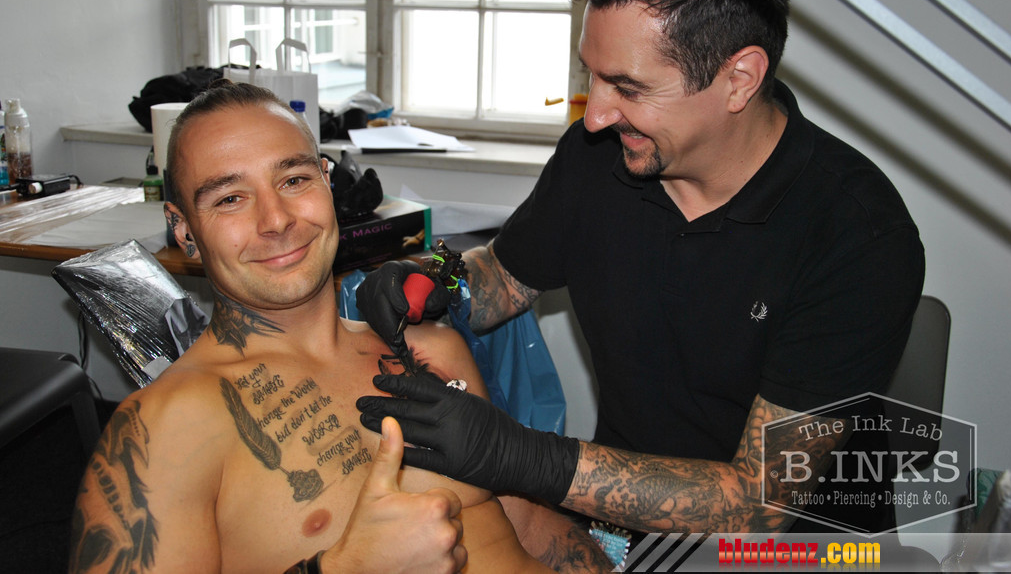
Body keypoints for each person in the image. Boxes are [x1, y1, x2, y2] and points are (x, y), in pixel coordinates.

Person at [354, 0, 926, 540]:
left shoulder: (858, 235)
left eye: (627, 87)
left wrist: (516, 455)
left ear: (739, 79)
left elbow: (757, 503)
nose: (596, 114)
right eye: (592, 77)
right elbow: (505, 277)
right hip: (623, 526)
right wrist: (435, 276)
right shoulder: (600, 156)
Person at [68, 81, 611, 573]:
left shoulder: (431, 350)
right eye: (230, 198)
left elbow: (525, 523)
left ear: (328, 184)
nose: (276, 220)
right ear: (183, 228)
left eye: (294, 179)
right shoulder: (161, 432)